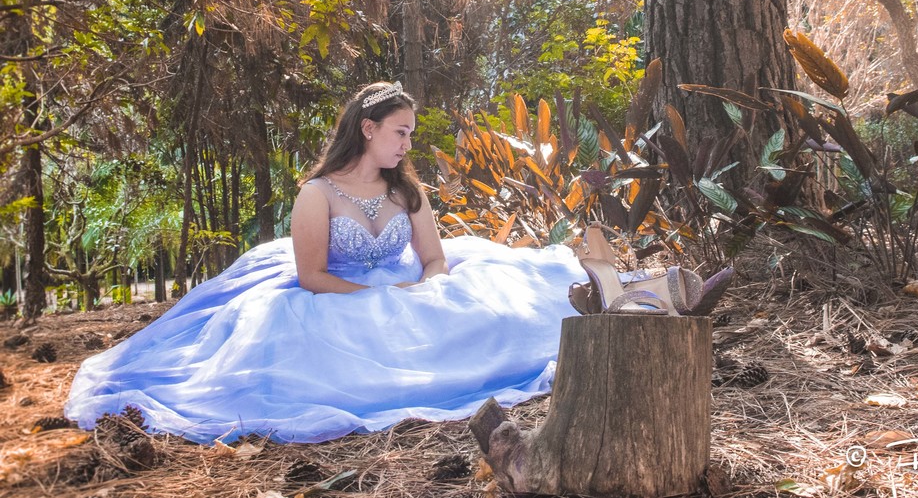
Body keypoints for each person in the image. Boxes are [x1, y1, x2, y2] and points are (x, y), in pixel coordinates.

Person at [65, 82, 586, 444]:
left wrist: (427, 289)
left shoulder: (408, 190)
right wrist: (376, 298)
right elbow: (311, 275)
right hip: (336, 291)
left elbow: (434, 260)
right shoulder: (318, 194)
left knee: (486, 311)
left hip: (407, 286)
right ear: (368, 128)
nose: (408, 144)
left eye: (410, 134)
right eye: (400, 132)